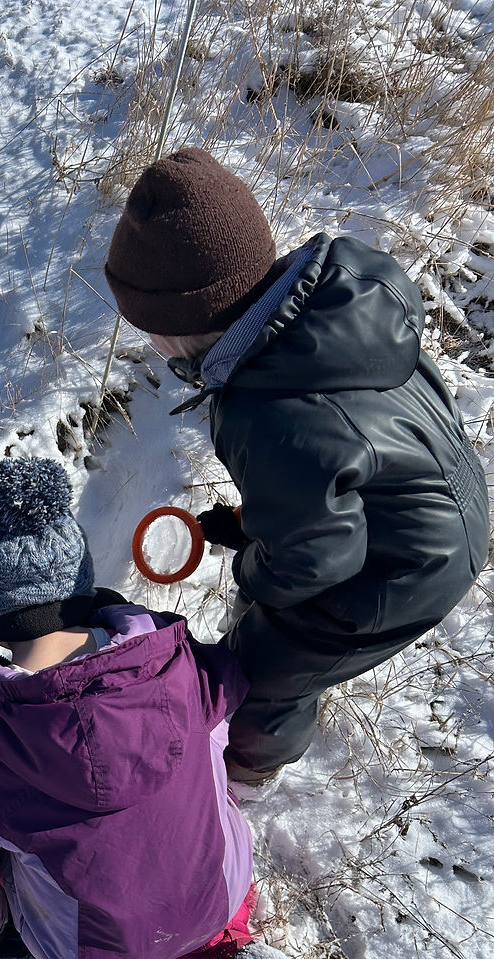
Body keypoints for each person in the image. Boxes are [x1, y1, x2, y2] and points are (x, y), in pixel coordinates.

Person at [0, 457, 303, 959]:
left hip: (87, 948)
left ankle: (177, 954)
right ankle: (226, 954)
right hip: (219, 887)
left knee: (33, 867)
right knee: (180, 839)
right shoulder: (176, 659)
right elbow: (227, 702)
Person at [104, 148, 490, 785]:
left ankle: (243, 774)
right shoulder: (331, 306)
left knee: (269, 666)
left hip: (412, 566)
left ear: (182, 327)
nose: (146, 340)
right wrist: (250, 523)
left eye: (146, 326)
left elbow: (319, 559)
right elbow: (335, 471)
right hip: (443, 490)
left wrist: (254, 579)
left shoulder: (268, 414)